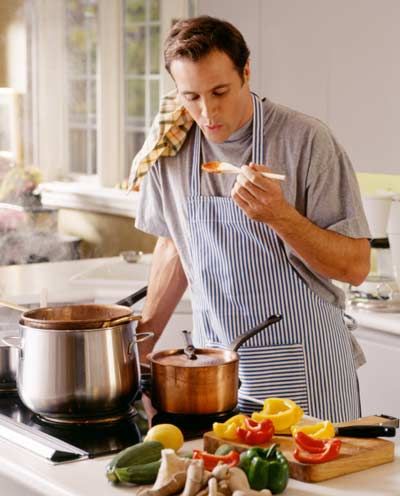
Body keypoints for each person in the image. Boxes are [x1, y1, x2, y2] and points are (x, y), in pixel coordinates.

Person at [132, 16, 371, 422]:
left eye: (219, 91)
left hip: (306, 366)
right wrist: (140, 346)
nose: (207, 112)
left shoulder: (306, 140)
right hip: (213, 369)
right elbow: (175, 243)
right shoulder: (169, 148)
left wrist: (281, 217)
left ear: (246, 71)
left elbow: (355, 267)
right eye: (191, 96)